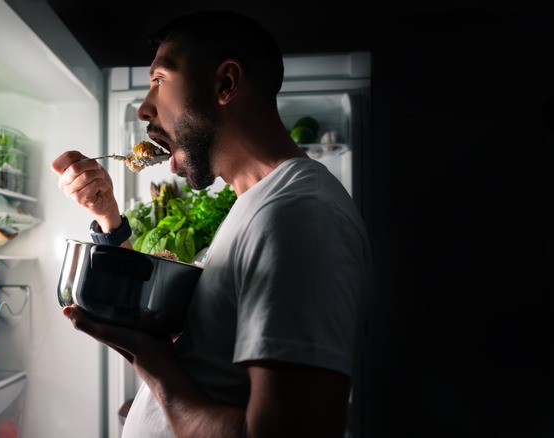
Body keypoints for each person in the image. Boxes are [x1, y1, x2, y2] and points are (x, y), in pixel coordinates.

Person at [51, 10, 372, 438]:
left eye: (159, 80)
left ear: (225, 84)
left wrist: (155, 364)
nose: (145, 107)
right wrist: (107, 214)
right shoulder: (257, 205)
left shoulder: (299, 217)